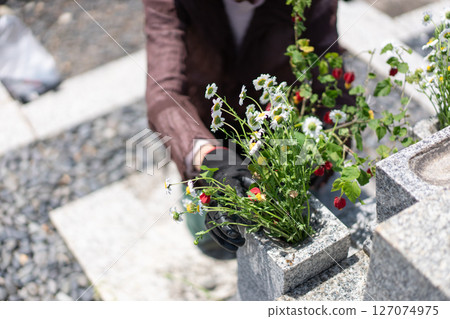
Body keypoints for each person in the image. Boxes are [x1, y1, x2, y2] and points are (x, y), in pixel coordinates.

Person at [142, 0, 353, 256]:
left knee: (306, 218)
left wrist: (322, 141)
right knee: (213, 240)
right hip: (207, 130)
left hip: (276, 129)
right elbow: (163, 95)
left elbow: (328, 75)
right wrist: (212, 161)